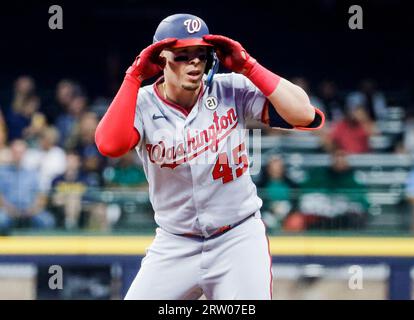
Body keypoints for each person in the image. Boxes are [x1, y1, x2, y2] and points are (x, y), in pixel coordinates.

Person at [95, 13, 324, 300]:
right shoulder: (142, 103)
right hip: (175, 243)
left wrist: (249, 66)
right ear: (160, 59)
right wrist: (133, 76)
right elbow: (109, 145)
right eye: (182, 55)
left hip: (237, 238)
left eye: (200, 55)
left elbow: (304, 114)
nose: (194, 63)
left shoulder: (231, 89)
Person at [0, 139, 55, 231]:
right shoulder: (2, 172)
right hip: (7, 211)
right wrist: (9, 209)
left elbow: (40, 194)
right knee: (1, 220)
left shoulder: (33, 173)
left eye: (20, 152)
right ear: (11, 153)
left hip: (30, 211)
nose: (18, 155)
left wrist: (32, 210)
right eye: (15, 152)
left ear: (25, 153)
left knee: (48, 221)